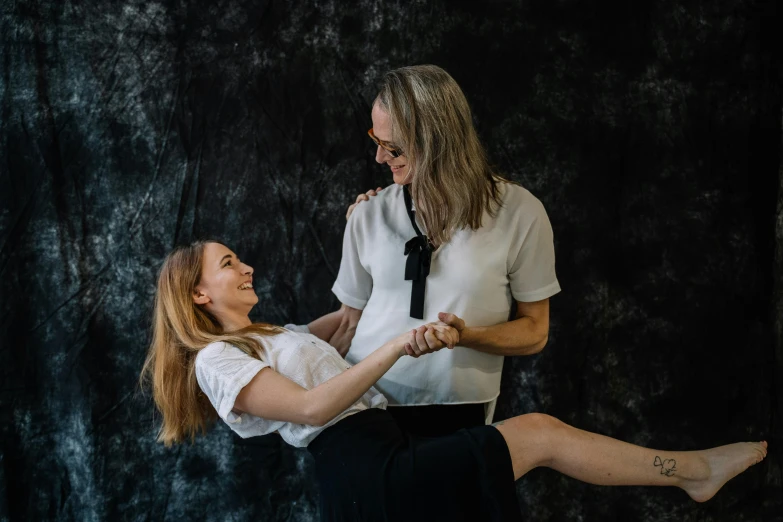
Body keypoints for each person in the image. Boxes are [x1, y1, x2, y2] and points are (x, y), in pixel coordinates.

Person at [140, 240, 768, 522]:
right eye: (229, 264)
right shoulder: (214, 362)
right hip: (367, 472)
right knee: (540, 434)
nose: (246, 266)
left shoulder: (276, 335)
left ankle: (692, 473)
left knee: (534, 435)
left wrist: (361, 227)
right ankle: (694, 472)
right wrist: (394, 347)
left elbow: (351, 313)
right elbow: (309, 408)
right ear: (197, 293)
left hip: (386, 449)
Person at [329, 64, 561, 436]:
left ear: (438, 139)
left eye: (393, 147)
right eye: (376, 139)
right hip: (364, 403)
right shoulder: (367, 214)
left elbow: (535, 331)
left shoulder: (520, 212)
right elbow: (346, 323)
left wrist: (464, 336)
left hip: (459, 408)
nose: (379, 157)